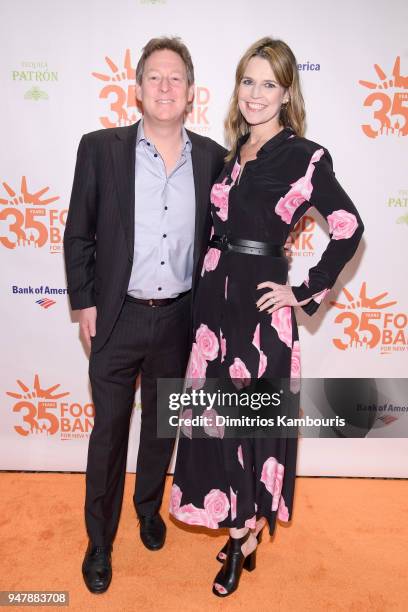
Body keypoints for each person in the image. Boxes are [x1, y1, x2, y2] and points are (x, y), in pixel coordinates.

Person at [170, 37, 364, 597]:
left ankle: (239, 539)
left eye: (268, 84)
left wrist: (303, 292)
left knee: (245, 430)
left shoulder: (305, 156)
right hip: (212, 314)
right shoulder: (230, 157)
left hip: (258, 320)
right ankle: (243, 533)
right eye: (247, 81)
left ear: (286, 93)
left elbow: (349, 227)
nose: (255, 94)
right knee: (212, 425)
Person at [63, 37, 226, 594]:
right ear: (136, 88)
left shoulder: (212, 157)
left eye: (175, 78)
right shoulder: (100, 148)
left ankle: (149, 508)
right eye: (154, 77)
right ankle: (99, 542)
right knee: (108, 433)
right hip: (116, 317)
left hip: (180, 319)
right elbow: (78, 232)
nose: (164, 86)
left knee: (161, 428)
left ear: (190, 92)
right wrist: (84, 301)